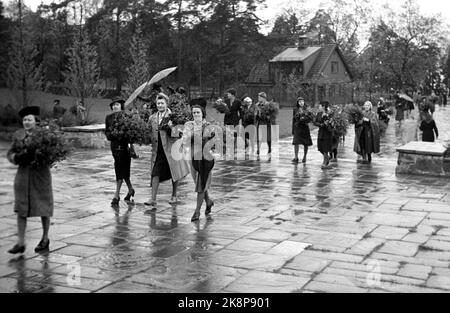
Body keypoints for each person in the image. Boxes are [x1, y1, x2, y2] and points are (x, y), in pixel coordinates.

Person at [6, 106, 53, 254]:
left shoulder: (44, 136)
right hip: (23, 176)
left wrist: (39, 156)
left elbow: (51, 154)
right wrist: (17, 157)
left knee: (44, 207)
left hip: (40, 177)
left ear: (36, 121)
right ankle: (20, 242)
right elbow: (10, 153)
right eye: (24, 120)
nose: (26, 122)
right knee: (21, 208)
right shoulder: (18, 135)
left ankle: (45, 238)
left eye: (29, 119)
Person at [145, 93, 190, 208]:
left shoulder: (173, 117)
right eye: (158, 103)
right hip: (158, 150)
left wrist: (170, 127)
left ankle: (174, 195)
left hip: (171, 149)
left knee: (173, 172)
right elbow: (149, 132)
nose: (160, 105)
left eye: (162, 103)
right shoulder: (152, 118)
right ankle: (153, 199)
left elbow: (180, 134)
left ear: (166, 103)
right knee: (155, 173)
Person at [183, 105, 216, 222]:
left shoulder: (208, 126)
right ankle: (208, 201)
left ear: (203, 114)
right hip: (193, 159)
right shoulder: (188, 125)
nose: (196, 115)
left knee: (201, 184)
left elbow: (213, 142)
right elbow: (184, 139)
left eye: (198, 112)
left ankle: (197, 212)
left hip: (206, 159)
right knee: (200, 183)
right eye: (194, 113)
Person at [105, 97, 135, 206]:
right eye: (113, 105)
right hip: (114, 146)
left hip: (124, 146)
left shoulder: (126, 117)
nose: (114, 106)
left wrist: (131, 146)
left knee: (121, 169)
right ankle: (130, 189)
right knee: (121, 169)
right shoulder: (108, 118)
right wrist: (114, 134)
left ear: (121, 106)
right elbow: (107, 133)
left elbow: (131, 134)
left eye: (117, 104)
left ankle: (116, 195)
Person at [255, 92, 277, 157]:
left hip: (267, 123)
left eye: (260, 97)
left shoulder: (268, 104)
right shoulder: (257, 105)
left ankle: (269, 148)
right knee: (259, 137)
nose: (258, 98)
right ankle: (258, 149)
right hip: (260, 122)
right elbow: (255, 114)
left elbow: (273, 114)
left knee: (268, 137)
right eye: (258, 97)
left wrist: (269, 116)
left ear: (263, 98)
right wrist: (256, 115)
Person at [292, 96, 312, 163]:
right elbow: (294, 119)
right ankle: (296, 157)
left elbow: (310, 118)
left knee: (306, 143)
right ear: (298, 103)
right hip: (297, 128)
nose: (301, 103)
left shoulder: (306, 109)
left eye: (302, 101)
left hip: (305, 128)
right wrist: (293, 129)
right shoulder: (295, 109)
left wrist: (305, 119)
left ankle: (304, 157)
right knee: (296, 142)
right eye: (300, 102)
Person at [314, 101, 334, 169]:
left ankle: (325, 162)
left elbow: (331, 122)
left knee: (325, 148)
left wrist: (327, 120)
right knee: (320, 147)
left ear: (323, 106)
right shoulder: (319, 113)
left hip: (327, 133)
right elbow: (315, 122)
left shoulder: (330, 113)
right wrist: (320, 124)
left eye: (320, 106)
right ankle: (327, 158)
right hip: (321, 132)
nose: (319, 107)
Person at [223, 88, 242, 154]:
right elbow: (223, 110)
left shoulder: (238, 102)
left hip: (234, 121)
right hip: (227, 120)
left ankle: (234, 148)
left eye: (229, 94)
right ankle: (227, 148)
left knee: (234, 135)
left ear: (232, 95)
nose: (227, 95)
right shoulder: (226, 101)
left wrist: (238, 118)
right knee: (227, 134)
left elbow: (241, 112)